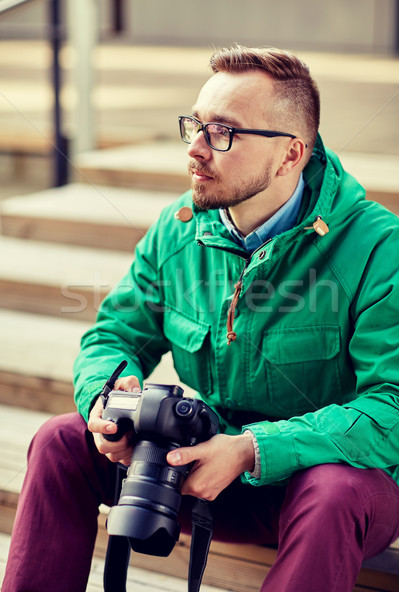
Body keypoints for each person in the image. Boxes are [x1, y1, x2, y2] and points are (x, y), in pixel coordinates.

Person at [3, 44, 399, 592]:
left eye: (222, 132)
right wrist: (108, 400)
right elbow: (115, 334)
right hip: (201, 471)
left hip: (321, 494)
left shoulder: (380, 247)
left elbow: (392, 406)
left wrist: (254, 449)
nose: (194, 148)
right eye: (195, 124)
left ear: (290, 155)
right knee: (60, 441)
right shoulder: (179, 227)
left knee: (332, 489)